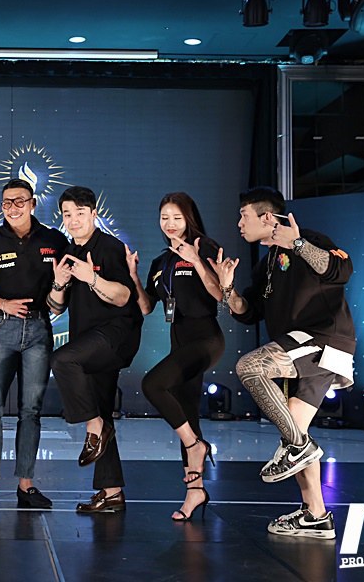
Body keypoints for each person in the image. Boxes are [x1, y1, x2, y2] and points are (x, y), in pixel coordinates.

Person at [210, 186, 355, 539]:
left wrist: (298, 244)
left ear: (266, 217)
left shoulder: (311, 239)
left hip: (322, 340)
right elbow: (249, 313)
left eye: (244, 215)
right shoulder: (266, 264)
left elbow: (341, 270)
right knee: (295, 433)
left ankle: (300, 448)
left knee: (249, 367)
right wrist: (227, 289)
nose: (239, 223)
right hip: (298, 350)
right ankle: (316, 515)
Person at [0, 179, 69, 510]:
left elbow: (66, 284)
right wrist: (1, 303)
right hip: (2, 328)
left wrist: (59, 294)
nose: (13, 208)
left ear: (33, 204)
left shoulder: (54, 239)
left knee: (31, 410)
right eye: (7, 202)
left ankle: (26, 485)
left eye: (20, 201)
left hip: (39, 329)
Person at [127, 192, 224, 522]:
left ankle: (196, 446)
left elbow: (220, 294)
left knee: (153, 384)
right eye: (164, 217)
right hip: (179, 342)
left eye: (177, 218)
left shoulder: (204, 247)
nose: (169, 224)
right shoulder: (161, 263)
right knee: (188, 413)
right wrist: (133, 275)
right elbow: (145, 307)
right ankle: (195, 491)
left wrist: (196, 261)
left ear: (189, 218)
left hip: (206, 339)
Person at [48, 186, 143, 513]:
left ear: (93, 214)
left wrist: (92, 278)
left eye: (79, 213)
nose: (73, 220)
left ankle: (93, 425)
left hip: (116, 334)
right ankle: (112, 492)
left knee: (62, 361)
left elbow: (123, 297)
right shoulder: (67, 252)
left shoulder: (110, 247)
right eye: (67, 214)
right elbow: (55, 307)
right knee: (101, 405)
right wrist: (59, 283)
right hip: (88, 339)